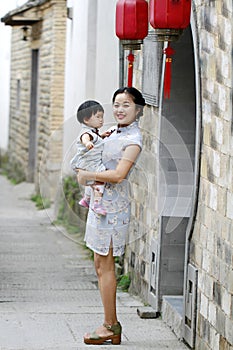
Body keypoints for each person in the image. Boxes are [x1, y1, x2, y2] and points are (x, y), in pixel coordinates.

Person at [76, 87, 146, 345]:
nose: (119, 109)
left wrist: (87, 176)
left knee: (105, 266)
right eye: (116, 104)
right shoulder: (114, 131)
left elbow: (118, 175)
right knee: (99, 264)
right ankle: (110, 323)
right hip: (99, 204)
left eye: (126, 105)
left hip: (113, 208)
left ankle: (110, 325)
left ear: (138, 110)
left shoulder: (133, 139)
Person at [71, 100, 110, 216]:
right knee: (100, 178)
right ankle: (97, 204)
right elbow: (85, 139)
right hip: (89, 163)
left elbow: (95, 138)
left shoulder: (94, 133)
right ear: (86, 119)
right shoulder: (86, 133)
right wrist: (87, 144)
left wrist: (102, 136)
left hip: (88, 163)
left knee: (91, 181)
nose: (101, 120)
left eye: (102, 117)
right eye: (98, 117)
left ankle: (86, 198)